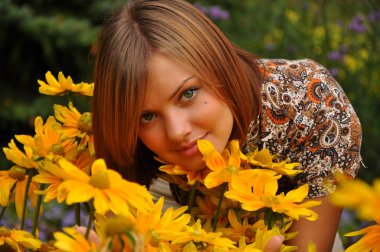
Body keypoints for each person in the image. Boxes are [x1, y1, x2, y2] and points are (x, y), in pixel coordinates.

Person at [91, 0, 362, 251]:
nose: (177, 132)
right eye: (147, 116)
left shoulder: (314, 105)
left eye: (188, 94)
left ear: (220, 64)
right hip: (170, 195)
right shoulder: (128, 143)